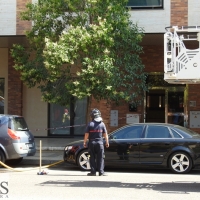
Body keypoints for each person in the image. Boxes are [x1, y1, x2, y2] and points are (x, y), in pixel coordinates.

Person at [83, 108, 109, 176]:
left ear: (92, 116)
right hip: (100, 143)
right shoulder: (102, 124)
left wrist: (84, 142)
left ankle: (93, 172)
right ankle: (101, 172)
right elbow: (105, 134)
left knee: (92, 157)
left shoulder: (90, 124)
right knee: (101, 158)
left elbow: (86, 134)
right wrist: (107, 142)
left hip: (92, 143)